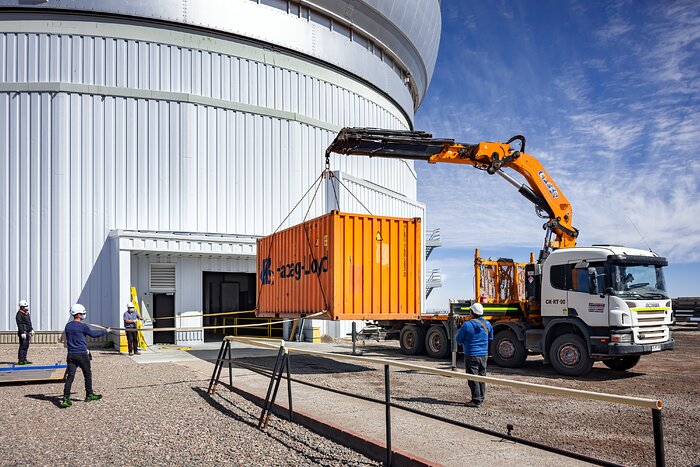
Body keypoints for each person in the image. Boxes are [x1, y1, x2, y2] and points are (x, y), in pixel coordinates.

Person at [60, 303, 111, 408]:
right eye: (82, 313)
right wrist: (106, 331)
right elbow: (94, 335)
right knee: (87, 374)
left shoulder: (68, 326)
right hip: (82, 354)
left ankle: (66, 398)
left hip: (71, 354)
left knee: (70, 376)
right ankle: (89, 394)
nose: (83, 315)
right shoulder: (83, 326)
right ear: (78, 314)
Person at [455, 302, 494, 408]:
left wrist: (459, 330)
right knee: (482, 377)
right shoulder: (488, 324)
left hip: (471, 354)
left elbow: (458, 339)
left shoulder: (467, 325)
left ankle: (476, 400)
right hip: (483, 355)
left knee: (472, 378)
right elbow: (490, 338)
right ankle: (481, 398)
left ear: (472, 312)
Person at [15, 300, 34, 365]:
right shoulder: (19, 314)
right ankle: (21, 359)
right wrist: (22, 332)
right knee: (22, 346)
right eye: (25, 306)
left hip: (28, 332)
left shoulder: (26, 313)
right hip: (23, 333)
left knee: (26, 346)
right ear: (22, 307)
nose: (27, 307)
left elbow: (29, 322)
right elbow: (19, 324)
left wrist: (31, 329)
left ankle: (24, 359)